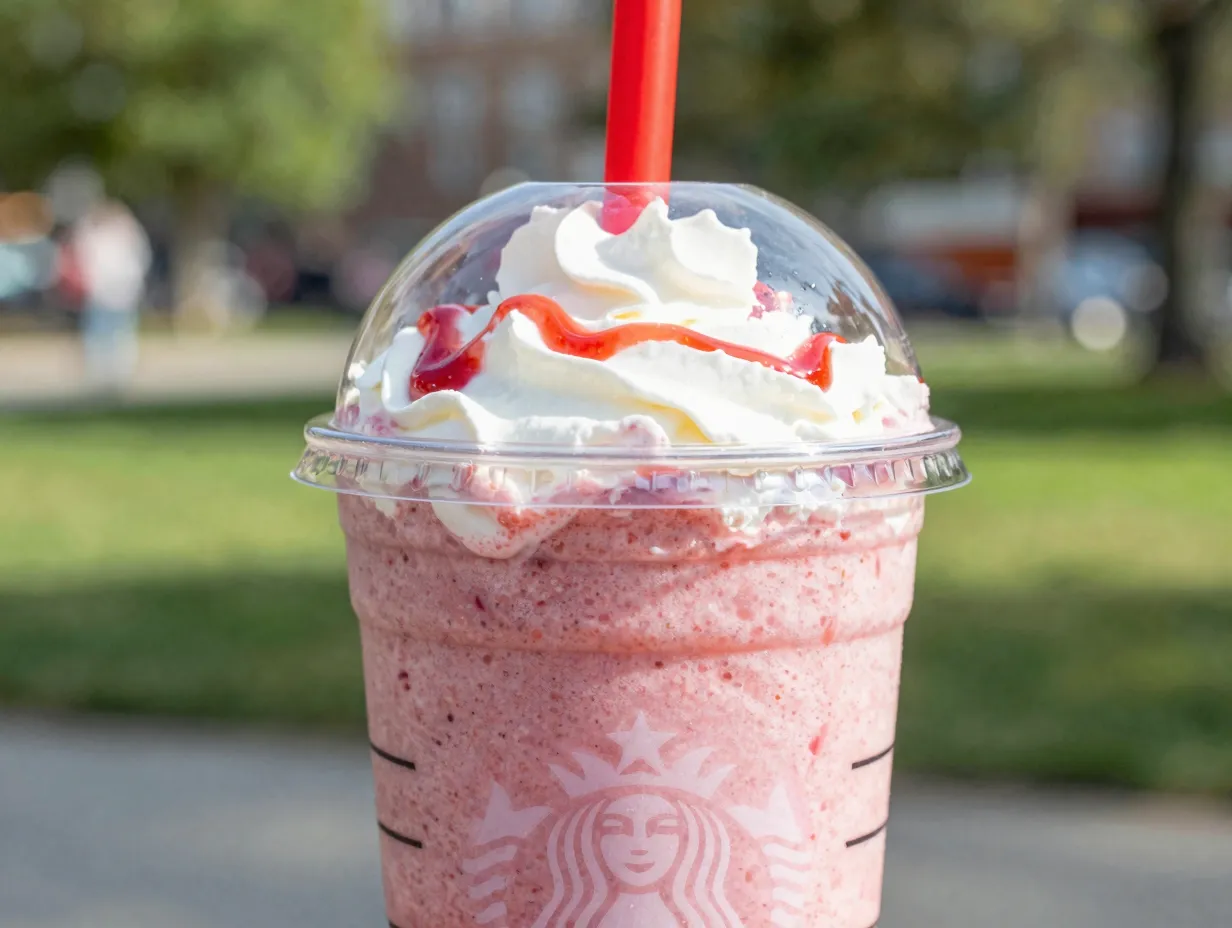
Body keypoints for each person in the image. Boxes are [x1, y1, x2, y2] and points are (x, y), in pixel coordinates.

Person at [69, 200, 151, 390]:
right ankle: (102, 371)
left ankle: (116, 371)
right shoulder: (99, 234)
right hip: (104, 290)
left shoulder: (123, 233)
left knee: (117, 331)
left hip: (119, 289)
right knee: (103, 330)